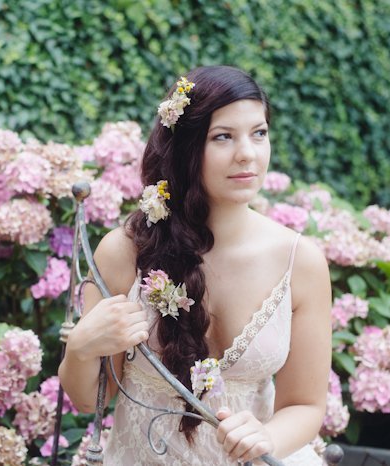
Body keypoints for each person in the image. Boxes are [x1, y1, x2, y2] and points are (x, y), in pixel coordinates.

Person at [58, 65, 332, 465]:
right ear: (186, 147)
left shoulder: (299, 261)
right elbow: (89, 401)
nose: (248, 153)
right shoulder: (125, 252)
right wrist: (81, 348)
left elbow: (305, 405)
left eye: (259, 133)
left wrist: (267, 436)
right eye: (223, 136)